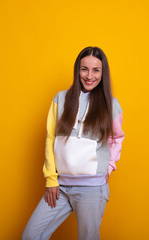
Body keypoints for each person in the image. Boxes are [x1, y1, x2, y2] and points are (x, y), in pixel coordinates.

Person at [22, 46, 125, 240]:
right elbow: (50, 139)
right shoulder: (61, 99)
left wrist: (109, 166)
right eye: (84, 68)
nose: (89, 75)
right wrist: (51, 179)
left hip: (92, 190)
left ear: (103, 74)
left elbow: (116, 138)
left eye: (96, 70)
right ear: (77, 70)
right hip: (60, 186)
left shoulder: (111, 104)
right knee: (31, 235)